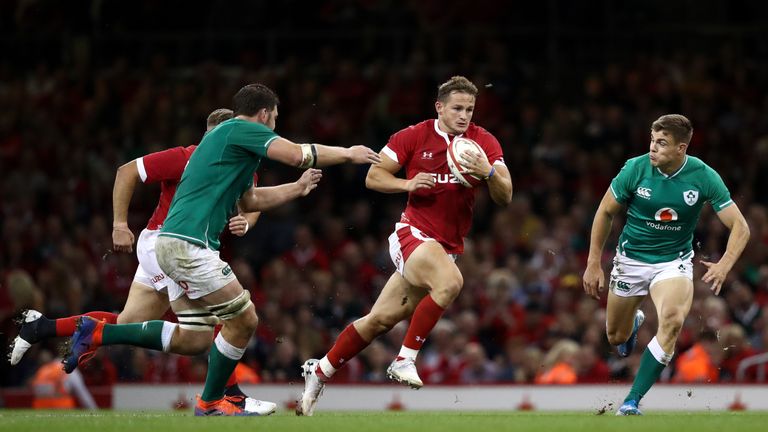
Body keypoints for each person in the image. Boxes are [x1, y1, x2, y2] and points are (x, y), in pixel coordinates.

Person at [61, 83, 380, 416]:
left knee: (196, 338)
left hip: (178, 244)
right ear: (264, 113)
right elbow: (299, 155)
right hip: (188, 245)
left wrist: (297, 189)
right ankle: (212, 400)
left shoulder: (233, 152)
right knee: (245, 319)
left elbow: (252, 200)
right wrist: (348, 153)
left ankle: (100, 332)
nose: (275, 125)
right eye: (275, 118)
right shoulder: (241, 128)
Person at [10, 108, 316, 414]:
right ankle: (228, 396)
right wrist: (119, 224)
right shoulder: (188, 158)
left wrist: (248, 221)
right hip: (170, 245)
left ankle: (44, 327)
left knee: (129, 323)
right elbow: (126, 171)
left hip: (175, 249)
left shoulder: (241, 164)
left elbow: (251, 200)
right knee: (221, 320)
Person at [296, 75, 513, 416]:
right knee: (451, 283)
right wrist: (408, 182)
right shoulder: (413, 136)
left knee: (379, 320)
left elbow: (506, 195)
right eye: (457, 108)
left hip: (446, 248)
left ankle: (319, 371)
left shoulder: (482, 142)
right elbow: (374, 177)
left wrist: (488, 173)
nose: (464, 116)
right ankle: (404, 359)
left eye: (470, 109)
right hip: (412, 233)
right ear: (439, 107)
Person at [582, 114, 750, 415]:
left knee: (672, 321)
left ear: (681, 148)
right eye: (652, 140)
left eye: (661, 143)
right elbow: (605, 212)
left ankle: (631, 400)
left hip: (673, 263)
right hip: (630, 261)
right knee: (616, 338)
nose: (652, 148)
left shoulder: (703, 176)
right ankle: (633, 323)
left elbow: (740, 226)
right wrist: (594, 262)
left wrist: (724, 265)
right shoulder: (635, 168)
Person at [31, 350, 97, 410]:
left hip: (40, 412)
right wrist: (94, 410)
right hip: (62, 412)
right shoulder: (70, 370)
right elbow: (82, 394)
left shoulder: (43, 370)